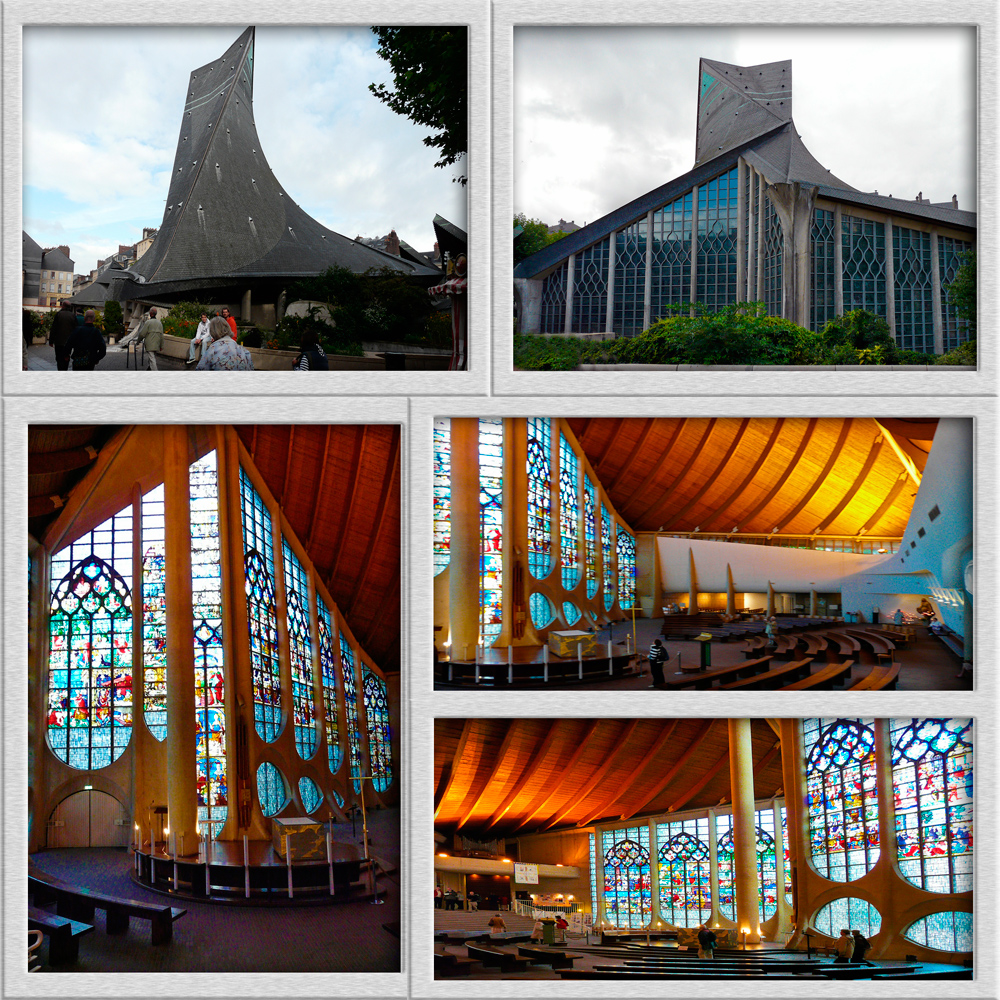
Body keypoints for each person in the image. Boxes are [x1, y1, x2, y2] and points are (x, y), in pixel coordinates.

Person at [49, 300, 78, 371]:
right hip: (68, 342)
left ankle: (60, 370)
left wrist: (51, 340)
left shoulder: (59, 314)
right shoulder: (73, 315)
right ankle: (65, 369)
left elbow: (54, 328)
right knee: (66, 358)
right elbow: (76, 329)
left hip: (59, 341)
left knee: (59, 359)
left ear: (63, 305)